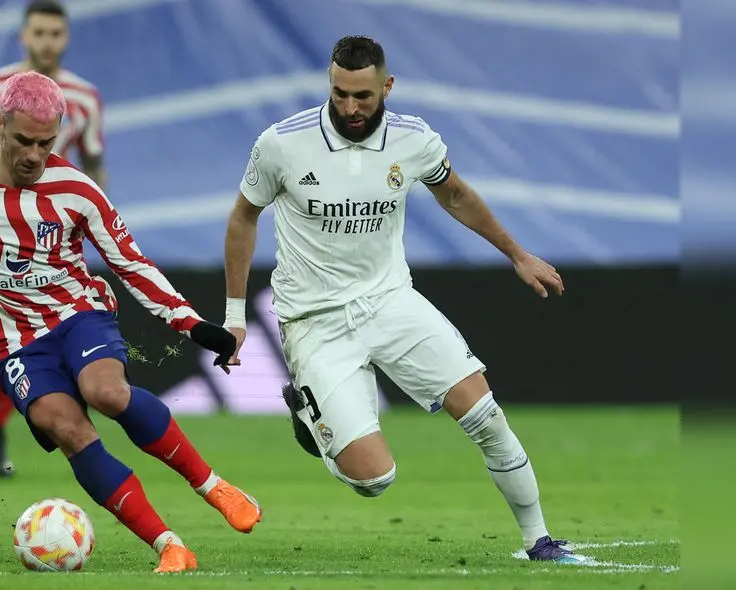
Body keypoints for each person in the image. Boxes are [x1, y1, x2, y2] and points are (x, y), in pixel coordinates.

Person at [222, 35, 584, 564]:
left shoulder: (413, 139)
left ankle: (539, 541)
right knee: (375, 480)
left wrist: (517, 255)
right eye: (339, 93)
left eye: (362, 96)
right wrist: (235, 316)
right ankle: (311, 414)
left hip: (392, 302)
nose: (349, 107)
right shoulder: (282, 143)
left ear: (386, 86)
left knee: (484, 414)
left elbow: (454, 193)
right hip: (315, 322)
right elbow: (242, 218)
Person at [0, 71, 261, 573]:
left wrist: (193, 324)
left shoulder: (77, 189)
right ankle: (170, 547)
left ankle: (214, 487)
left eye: (47, 143)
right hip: (13, 340)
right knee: (66, 428)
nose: (34, 154)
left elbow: (129, 263)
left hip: (79, 315)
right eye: (24, 141)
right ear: (0, 124)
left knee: (107, 393)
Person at [0, 0, 107, 478]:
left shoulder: (84, 97)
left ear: (65, 39)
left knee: (55, 331)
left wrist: (100, 226)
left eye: (55, 34)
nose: (47, 42)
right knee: (6, 332)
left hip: (56, 238)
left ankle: (48, 422)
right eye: (39, 33)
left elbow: (93, 163)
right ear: (24, 36)